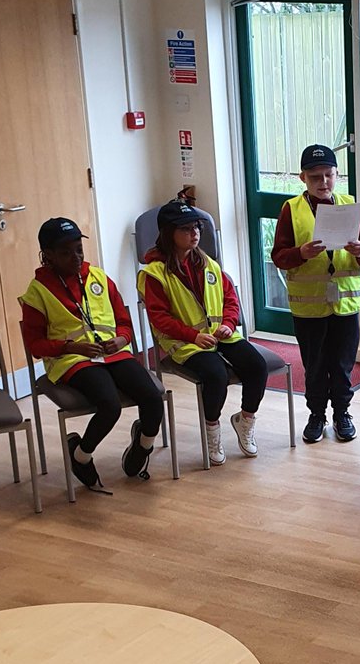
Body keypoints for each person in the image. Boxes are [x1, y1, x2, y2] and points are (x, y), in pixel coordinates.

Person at [20, 217, 165, 493]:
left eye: (79, 249)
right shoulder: (37, 292)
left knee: (152, 397)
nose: (75, 257)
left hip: (113, 354)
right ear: (47, 256)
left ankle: (143, 446)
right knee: (108, 405)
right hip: (73, 360)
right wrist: (72, 347)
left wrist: (121, 339)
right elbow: (36, 345)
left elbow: (125, 323)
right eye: (65, 253)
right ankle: (81, 455)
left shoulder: (99, 277)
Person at [138, 199, 268, 465]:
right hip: (185, 343)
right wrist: (193, 336)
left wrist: (229, 324)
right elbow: (160, 318)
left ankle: (244, 420)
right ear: (168, 233)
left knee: (256, 365)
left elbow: (230, 299)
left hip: (220, 335)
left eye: (196, 227)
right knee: (215, 375)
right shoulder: (154, 273)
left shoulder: (208, 263)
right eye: (186, 229)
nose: (195, 233)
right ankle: (212, 430)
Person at [270, 143, 360, 444]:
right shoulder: (291, 210)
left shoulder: (348, 205)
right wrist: (301, 253)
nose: (323, 182)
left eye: (328, 175)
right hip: (309, 308)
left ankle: (343, 413)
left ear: (337, 174)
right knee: (315, 365)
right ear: (302, 178)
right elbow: (279, 256)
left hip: (345, 303)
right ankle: (316, 414)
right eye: (315, 176)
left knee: (343, 364)